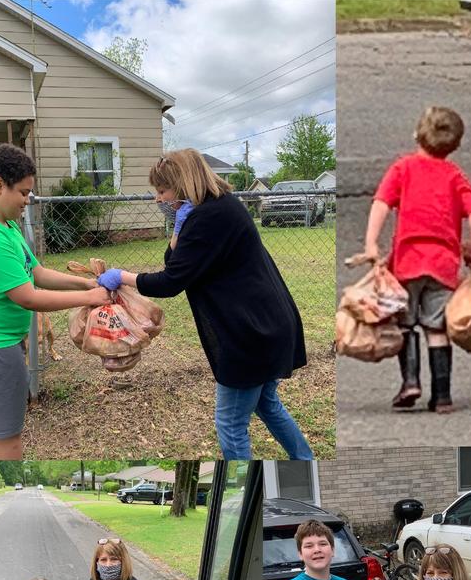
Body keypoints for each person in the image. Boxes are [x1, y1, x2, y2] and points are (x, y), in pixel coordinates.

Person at [96, 149, 312, 460]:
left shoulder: (208, 217)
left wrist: (122, 276)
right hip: (267, 321)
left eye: (162, 191)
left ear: (183, 186)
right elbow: (177, 260)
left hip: (250, 331)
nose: (157, 199)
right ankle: (304, 460)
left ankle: (251, 487)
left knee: (231, 423)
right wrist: (178, 228)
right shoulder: (219, 207)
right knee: (267, 404)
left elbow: (171, 281)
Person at [0, 143, 112, 460]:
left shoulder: (6, 226)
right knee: (9, 440)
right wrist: (90, 297)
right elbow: (27, 297)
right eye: (24, 193)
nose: (28, 200)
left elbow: (35, 273)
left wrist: (85, 282)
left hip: (0, 343)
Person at [361, 106, 471, 413]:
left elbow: (380, 204)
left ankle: (411, 382)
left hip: (406, 263)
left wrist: (370, 243)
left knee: (405, 324)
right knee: (437, 328)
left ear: (417, 134)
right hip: (443, 266)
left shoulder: (403, 168)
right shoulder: (455, 175)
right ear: (455, 144)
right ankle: (442, 397)